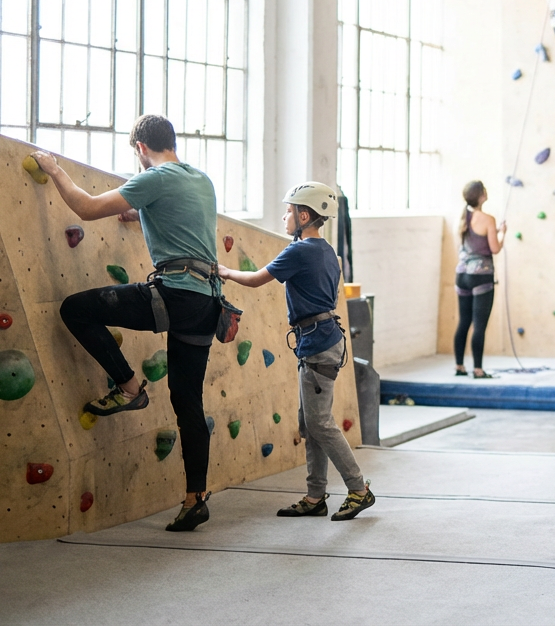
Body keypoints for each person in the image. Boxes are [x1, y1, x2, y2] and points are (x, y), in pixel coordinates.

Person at [34, 115, 220, 531]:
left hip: (174, 295)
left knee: (75, 308)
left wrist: (55, 169)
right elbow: (182, 219)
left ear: (140, 149)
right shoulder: (200, 179)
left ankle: (130, 387)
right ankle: (195, 497)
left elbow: (86, 207)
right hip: (208, 301)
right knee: (188, 401)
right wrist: (142, 215)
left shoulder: (154, 178)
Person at [217, 183, 375, 522]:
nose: (285, 216)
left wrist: (224, 271)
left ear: (304, 215)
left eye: (289, 211)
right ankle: (315, 495)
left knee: (319, 422)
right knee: (310, 423)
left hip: (318, 343)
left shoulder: (300, 251)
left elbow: (258, 278)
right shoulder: (328, 251)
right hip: (321, 340)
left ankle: (359, 488)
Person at [453, 181, 505, 379]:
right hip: (481, 276)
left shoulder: (461, 218)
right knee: (479, 324)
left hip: (462, 275)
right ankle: (478, 369)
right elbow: (494, 249)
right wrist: (503, 234)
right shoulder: (488, 219)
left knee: (463, 322)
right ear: (481, 196)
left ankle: (459, 366)